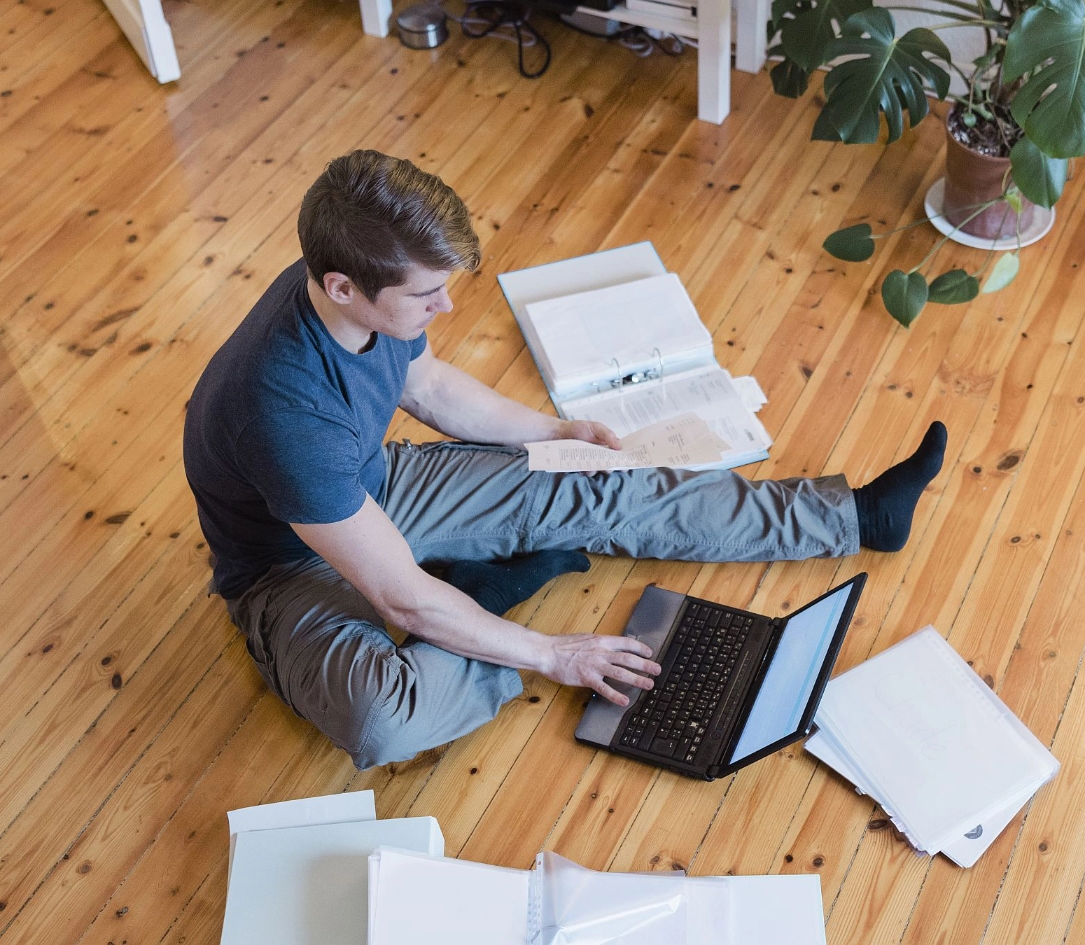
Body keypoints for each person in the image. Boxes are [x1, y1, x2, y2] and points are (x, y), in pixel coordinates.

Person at [182, 150, 949, 769]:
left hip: (376, 487)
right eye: (426, 296)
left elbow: (429, 384)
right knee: (383, 718)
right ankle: (489, 595)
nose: (443, 309)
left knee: (592, 477)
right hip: (291, 566)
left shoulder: (351, 277)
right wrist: (555, 654)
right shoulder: (284, 413)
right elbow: (400, 600)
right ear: (344, 287)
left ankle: (854, 515)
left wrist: (554, 432)